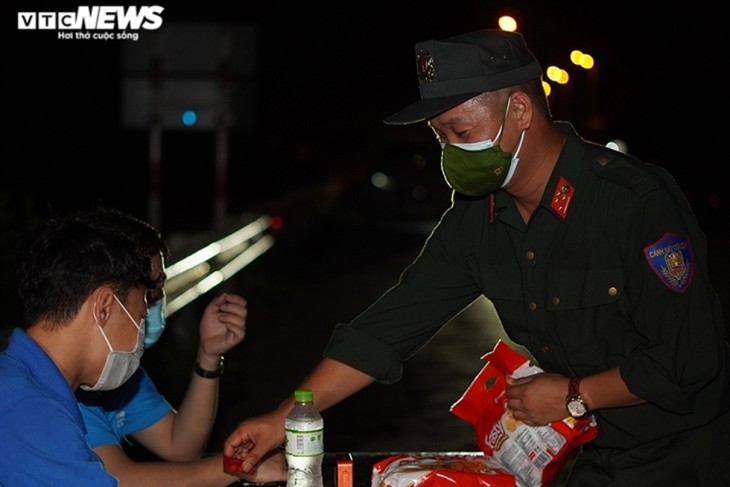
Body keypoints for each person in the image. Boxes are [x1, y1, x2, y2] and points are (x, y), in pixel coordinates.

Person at [223, 29, 730, 486]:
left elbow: (690, 358)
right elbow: (386, 328)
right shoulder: (478, 218)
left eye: (461, 133)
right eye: (440, 136)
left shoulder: (630, 202)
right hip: (581, 457)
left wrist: (576, 394)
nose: (449, 151)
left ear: (520, 111)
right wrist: (283, 419)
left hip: (680, 455)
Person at [74, 207, 286, 486]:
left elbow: (180, 447)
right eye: (150, 293)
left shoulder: (116, 374)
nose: (156, 304)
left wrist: (208, 356)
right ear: (105, 303)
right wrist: (239, 467)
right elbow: (117, 480)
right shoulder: (60, 384)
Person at [0, 210, 151, 485]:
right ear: (104, 307)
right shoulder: (31, 413)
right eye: (141, 318)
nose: (141, 337)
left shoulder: (23, 387)